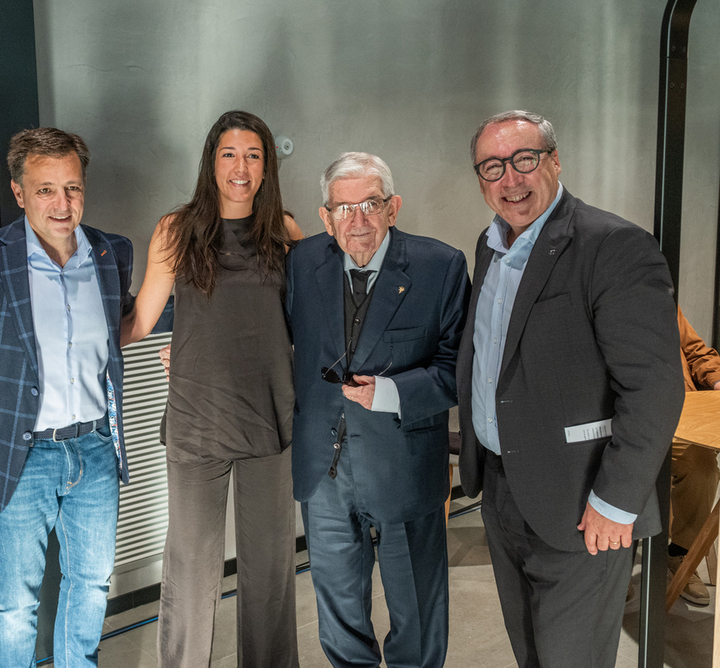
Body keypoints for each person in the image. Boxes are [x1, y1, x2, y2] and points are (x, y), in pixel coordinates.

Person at [457, 109, 685, 668]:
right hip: (504, 489)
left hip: (585, 502)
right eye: (492, 167)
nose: (510, 179)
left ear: (554, 162)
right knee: (532, 653)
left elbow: (654, 390)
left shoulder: (614, 247)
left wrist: (616, 502)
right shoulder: (490, 247)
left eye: (524, 160)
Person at [0, 127, 133, 668]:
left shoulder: (111, 251)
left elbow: (124, 326)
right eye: (45, 189)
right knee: (15, 602)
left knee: (92, 584)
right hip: (19, 455)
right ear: (19, 192)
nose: (62, 202)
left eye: (72, 187)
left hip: (95, 448)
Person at [122, 110, 303, 668]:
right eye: (229, 154)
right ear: (211, 162)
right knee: (191, 576)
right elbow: (141, 321)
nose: (240, 166)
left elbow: (305, 326)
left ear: (268, 166)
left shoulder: (288, 233)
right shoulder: (176, 230)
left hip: (270, 421)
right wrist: (74, 337)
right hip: (198, 423)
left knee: (270, 576)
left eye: (253, 155)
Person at [285, 151, 469, 668]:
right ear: (325, 216)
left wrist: (389, 392)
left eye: (370, 204)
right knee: (339, 613)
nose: (357, 220)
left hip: (404, 467)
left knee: (417, 611)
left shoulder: (441, 266)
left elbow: (460, 370)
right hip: (323, 473)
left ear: (394, 207)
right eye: (343, 208)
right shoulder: (301, 262)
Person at [669, 305, 720, 605]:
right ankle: (616, 567)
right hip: (622, 413)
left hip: (680, 408)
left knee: (703, 467)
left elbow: (697, 352)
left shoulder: (662, 300)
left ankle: (681, 553)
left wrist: (715, 380)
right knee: (629, 466)